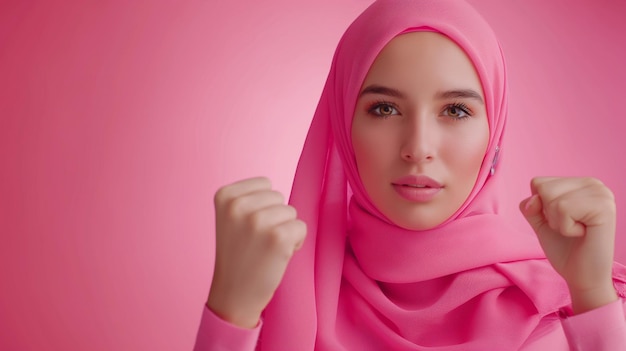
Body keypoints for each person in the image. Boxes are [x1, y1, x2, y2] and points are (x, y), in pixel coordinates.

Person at [195, 0, 626, 349]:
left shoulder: (567, 299)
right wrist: (230, 314)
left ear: (494, 131)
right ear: (343, 125)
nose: (418, 148)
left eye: (456, 110)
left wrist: (592, 301)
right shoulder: (281, 290)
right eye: (384, 108)